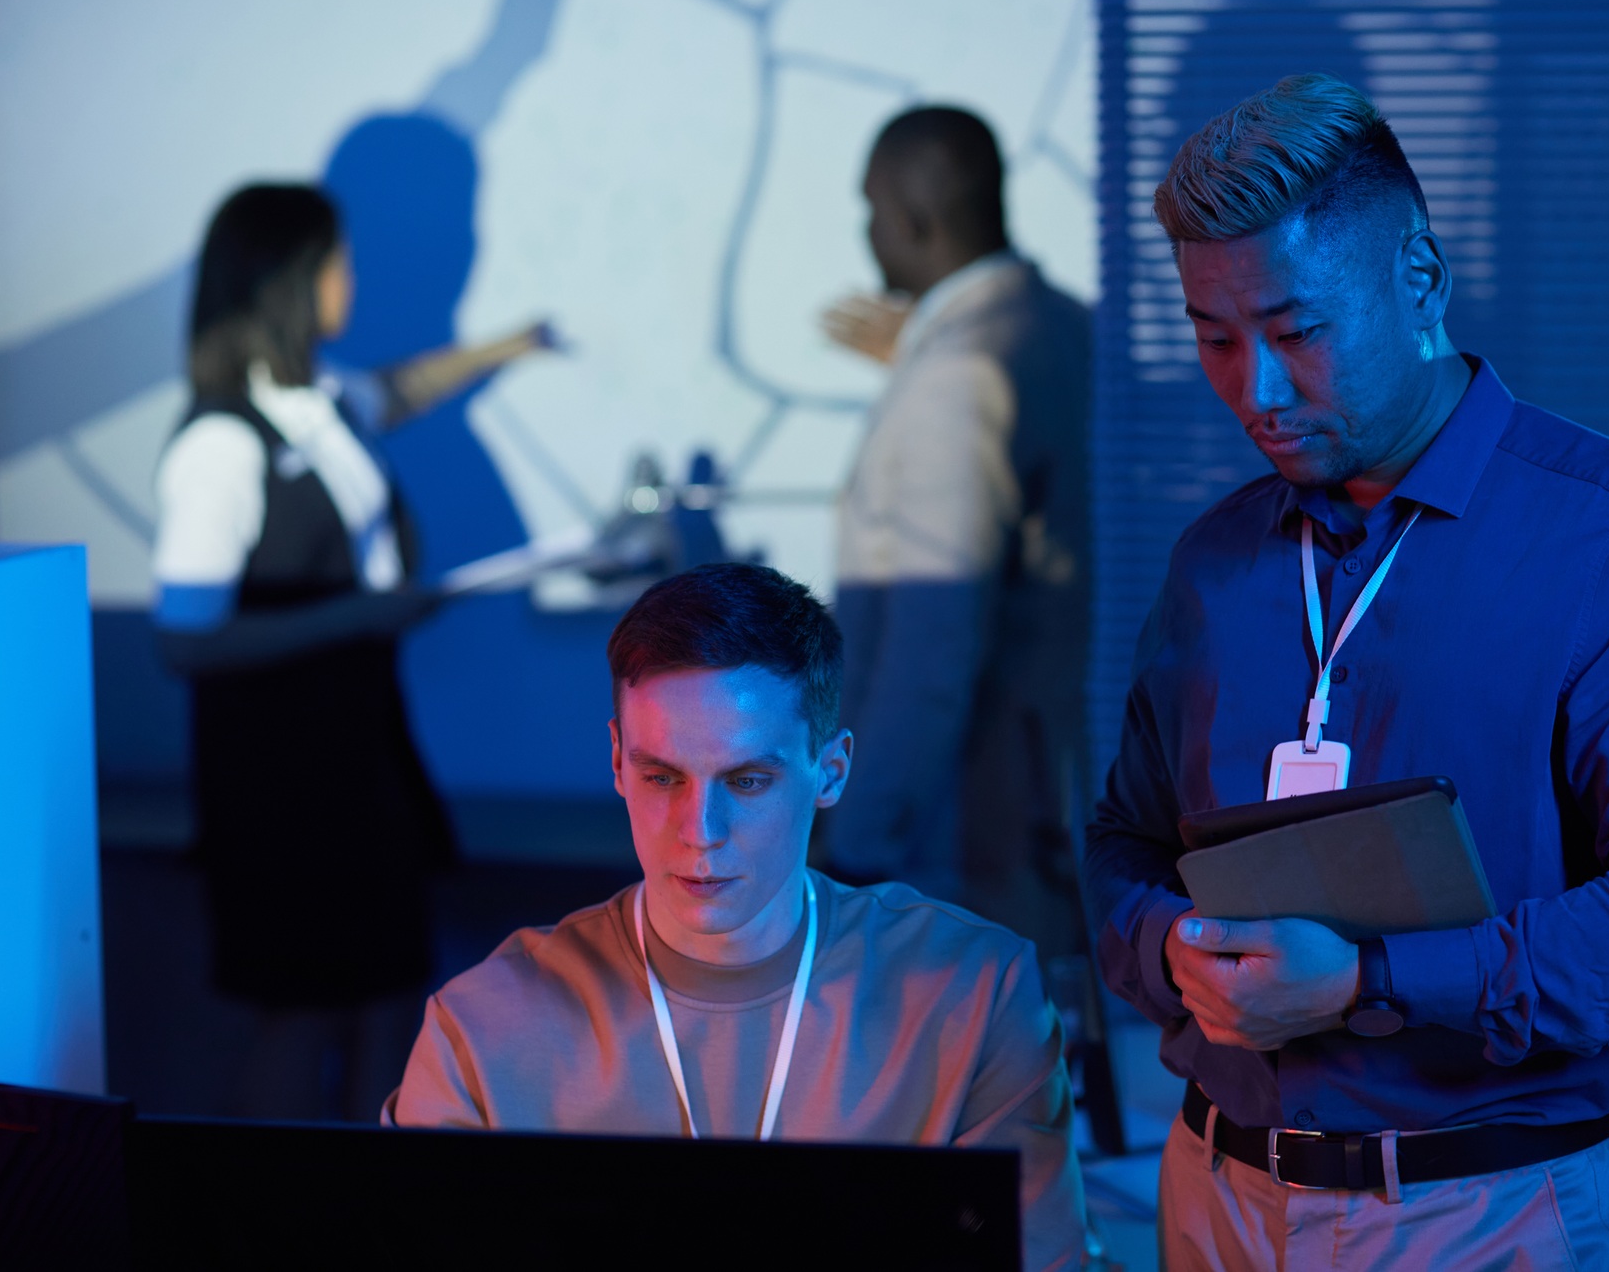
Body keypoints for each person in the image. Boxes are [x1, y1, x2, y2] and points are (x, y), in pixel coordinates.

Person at [1083, 75, 1609, 1269]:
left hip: (1486, 1211)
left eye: (1295, 333)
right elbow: (1122, 845)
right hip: (1212, 1193)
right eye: (1212, 338)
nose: (1250, 389)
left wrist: (1367, 978)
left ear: (1417, 279)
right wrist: (1167, 951)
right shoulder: (1214, 557)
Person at [384, 563, 1088, 1272]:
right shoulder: (482, 1028)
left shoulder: (973, 996)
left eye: (748, 780)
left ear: (832, 770)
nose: (701, 830)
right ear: (617, 762)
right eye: (663, 777)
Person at [151, 183, 549, 1121]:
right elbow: (183, 639)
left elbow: (402, 388)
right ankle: (265, 1225)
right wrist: (360, 617)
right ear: (293, 278)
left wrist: (511, 345)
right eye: (339, 261)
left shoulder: (317, 401)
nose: (353, 279)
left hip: (357, 754)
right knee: (302, 1010)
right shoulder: (219, 442)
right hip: (279, 777)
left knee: (381, 998)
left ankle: (368, 1219)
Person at [819, 106, 1093, 965]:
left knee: (966, 1090)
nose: (869, 233)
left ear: (912, 215)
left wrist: (855, 837)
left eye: (871, 209)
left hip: (967, 836)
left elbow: (930, 648)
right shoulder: (1066, 327)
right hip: (1050, 809)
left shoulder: (958, 375)